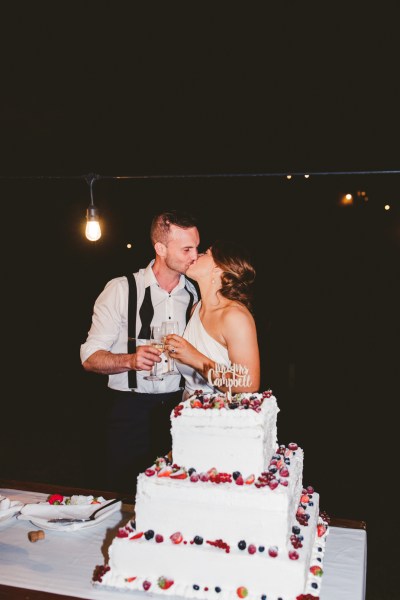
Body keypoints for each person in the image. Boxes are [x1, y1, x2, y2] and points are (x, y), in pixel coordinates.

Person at [80, 210, 200, 491]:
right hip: (130, 412)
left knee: (175, 495)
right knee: (127, 494)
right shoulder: (121, 290)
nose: (195, 255)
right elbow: (89, 358)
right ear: (160, 248)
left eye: (196, 247)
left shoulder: (194, 294)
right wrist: (130, 360)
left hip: (179, 411)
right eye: (187, 249)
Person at [165, 240, 260, 398]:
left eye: (205, 253)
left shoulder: (234, 317)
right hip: (188, 414)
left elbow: (248, 384)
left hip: (221, 416)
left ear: (218, 269)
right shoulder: (196, 309)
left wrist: (194, 357)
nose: (196, 255)